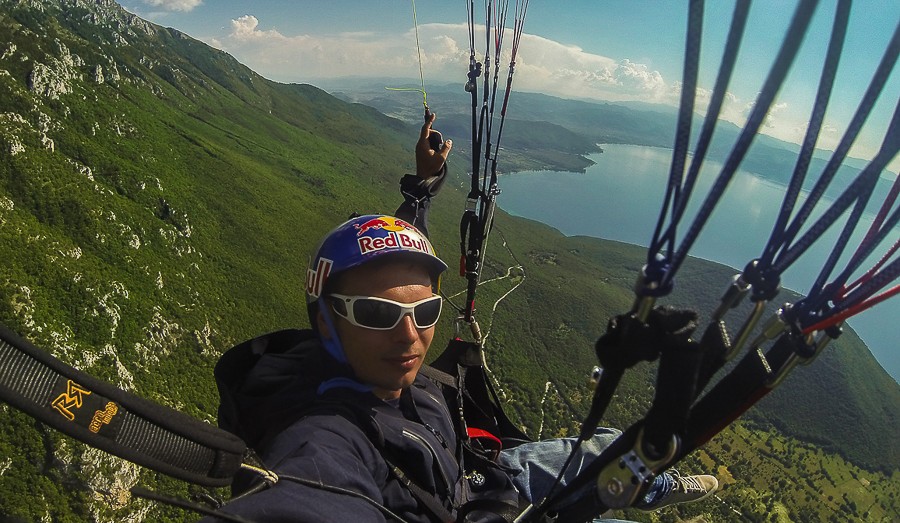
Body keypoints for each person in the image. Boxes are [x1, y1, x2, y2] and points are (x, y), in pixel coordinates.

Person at [202, 115, 717, 523]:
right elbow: (308, 498)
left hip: (483, 477)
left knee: (610, 442)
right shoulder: (324, 436)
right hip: (470, 504)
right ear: (324, 324)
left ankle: (657, 488)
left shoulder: (371, 357)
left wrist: (421, 190)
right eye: (378, 314)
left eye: (425, 310)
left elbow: (394, 275)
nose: (410, 334)